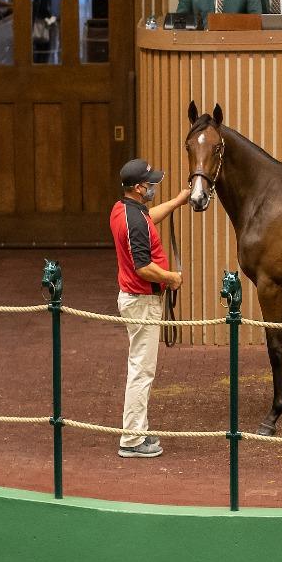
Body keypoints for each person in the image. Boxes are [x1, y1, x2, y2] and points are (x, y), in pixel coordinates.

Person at [109, 158, 186, 458]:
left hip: (136, 299)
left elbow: (148, 218)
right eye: (150, 182)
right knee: (142, 371)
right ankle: (131, 440)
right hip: (143, 301)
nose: (154, 186)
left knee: (140, 368)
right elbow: (143, 267)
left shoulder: (123, 210)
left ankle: (137, 428)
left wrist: (177, 202)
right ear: (139, 187)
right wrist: (172, 278)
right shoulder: (135, 221)